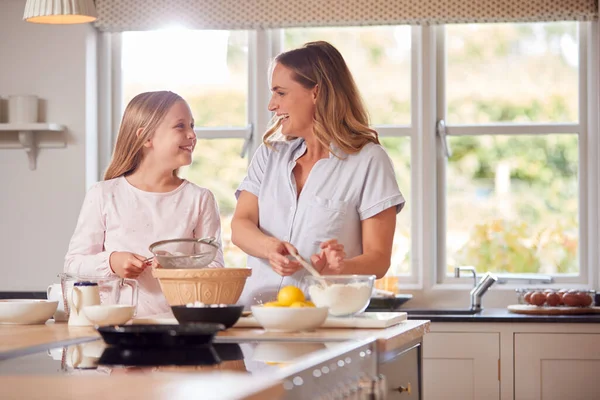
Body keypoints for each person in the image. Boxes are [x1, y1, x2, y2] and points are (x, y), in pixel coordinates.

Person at [231, 41, 405, 307]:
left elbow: (379, 259)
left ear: (317, 92)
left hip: (325, 318)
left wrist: (340, 268)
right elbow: (240, 225)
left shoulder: (369, 160)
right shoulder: (269, 155)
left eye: (280, 93)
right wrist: (270, 248)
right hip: (258, 317)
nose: (271, 105)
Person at [65, 91, 225, 317]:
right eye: (180, 126)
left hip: (179, 328)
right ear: (146, 138)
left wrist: (177, 267)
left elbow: (216, 269)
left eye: (192, 125)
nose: (192, 134)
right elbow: (73, 264)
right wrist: (111, 262)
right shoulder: (104, 194)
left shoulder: (200, 199)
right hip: (117, 327)